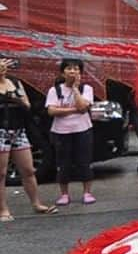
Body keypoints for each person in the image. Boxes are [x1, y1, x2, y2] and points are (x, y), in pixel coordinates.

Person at [0, 59, 55, 221]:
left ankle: (36, 203)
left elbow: (27, 104)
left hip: (18, 129)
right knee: (1, 173)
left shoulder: (14, 81)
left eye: (4, 65)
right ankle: (3, 209)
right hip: (1, 130)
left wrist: (15, 98)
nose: (2, 68)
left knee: (28, 170)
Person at [44, 59, 95, 206]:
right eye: (69, 68)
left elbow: (84, 107)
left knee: (84, 162)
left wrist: (75, 89)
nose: (72, 71)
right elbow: (52, 111)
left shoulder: (87, 89)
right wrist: (74, 110)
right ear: (62, 72)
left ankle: (87, 192)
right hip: (61, 132)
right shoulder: (55, 90)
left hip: (83, 130)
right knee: (63, 163)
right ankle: (64, 194)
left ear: (80, 72)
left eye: (76, 69)